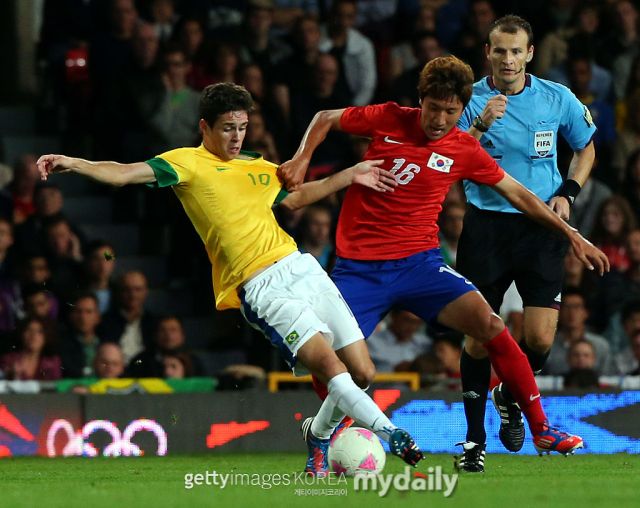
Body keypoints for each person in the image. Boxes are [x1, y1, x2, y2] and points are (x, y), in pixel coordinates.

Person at [37, 82, 422, 476]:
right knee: (330, 366)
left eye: (242, 127)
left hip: (301, 268)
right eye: (227, 128)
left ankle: (318, 435)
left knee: (364, 373)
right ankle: (391, 433)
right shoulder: (185, 163)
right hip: (260, 287)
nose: (237, 137)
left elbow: (296, 198)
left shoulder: (257, 166)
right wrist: (75, 162)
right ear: (205, 127)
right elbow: (123, 174)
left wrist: (350, 174)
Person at [280, 55, 609, 472]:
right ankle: (321, 435)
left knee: (491, 326)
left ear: (462, 108)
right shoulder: (388, 118)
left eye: (451, 111)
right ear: (421, 100)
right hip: (359, 268)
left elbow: (522, 196)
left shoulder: (463, 148)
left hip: (420, 265)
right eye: (433, 108)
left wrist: (572, 235)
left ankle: (541, 427)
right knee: (340, 367)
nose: (439, 119)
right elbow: (325, 117)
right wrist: (301, 159)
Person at [453, 15, 598, 470]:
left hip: (540, 229)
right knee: (478, 338)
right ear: (488, 53)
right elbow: (448, 162)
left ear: (530, 54)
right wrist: (478, 123)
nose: (508, 59)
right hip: (486, 229)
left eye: (517, 51)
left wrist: (568, 193)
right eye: (500, 50)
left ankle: (508, 394)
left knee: (538, 340)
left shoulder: (557, 98)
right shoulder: (470, 100)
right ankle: (474, 444)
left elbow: (586, 146)